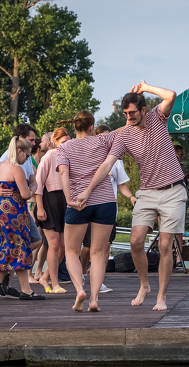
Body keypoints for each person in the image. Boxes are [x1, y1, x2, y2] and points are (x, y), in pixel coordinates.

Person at [77, 80, 186, 311]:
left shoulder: (158, 117)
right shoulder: (124, 135)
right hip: (146, 192)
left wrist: (146, 87)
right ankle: (144, 285)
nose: (128, 117)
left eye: (132, 113)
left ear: (143, 110)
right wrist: (88, 190)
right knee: (136, 242)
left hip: (173, 190)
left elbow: (171, 94)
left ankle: (161, 297)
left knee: (166, 244)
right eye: (125, 113)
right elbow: (107, 164)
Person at [55, 111, 124, 312]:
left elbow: (63, 173)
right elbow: (124, 129)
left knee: (71, 251)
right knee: (99, 252)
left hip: (78, 202)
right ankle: (94, 299)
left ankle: (79, 290)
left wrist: (69, 199)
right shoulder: (103, 140)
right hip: (105, 201)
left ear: (75, 127)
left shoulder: (64, 147)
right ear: (92, 127)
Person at [0, 136, 44, 300]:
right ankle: (23, 289)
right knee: (18, 245)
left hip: (0, 209)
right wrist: (31, 189)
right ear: (19, 151)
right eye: (27, 155)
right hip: (14, 212)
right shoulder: (17, 170)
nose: (28, 158)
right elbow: (25, 194)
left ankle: (1, 278)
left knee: (10, 243)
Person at [79, 125, 135, 294]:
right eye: (103, 137)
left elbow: (122, 184)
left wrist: (131, 196)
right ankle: (81, 273)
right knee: (89, 247)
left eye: (109, 137)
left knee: (105, 247)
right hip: (91, 207)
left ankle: (99, 281)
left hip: (109, 210)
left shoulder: (116, 161)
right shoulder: (89, 157)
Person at [34, 127, 70, 294]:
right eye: (63, 142)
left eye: (68, 142)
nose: (66, 145)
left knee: (63, 246)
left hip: (64, 200)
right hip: (49, 199)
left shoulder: (70, 156)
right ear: (55, 142)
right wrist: (40, 207)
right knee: (53, 244)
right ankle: (54, 284)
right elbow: (38, 184)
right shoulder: (50, 155)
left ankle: (45, 277)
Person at [30, 134, 52, 283]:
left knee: (45, 241)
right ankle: (28, 273)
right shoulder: (30, 163)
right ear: (39, 149)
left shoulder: (42, 161)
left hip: (43, 202)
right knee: (36, 238)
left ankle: (39, 271)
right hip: (32, 204)